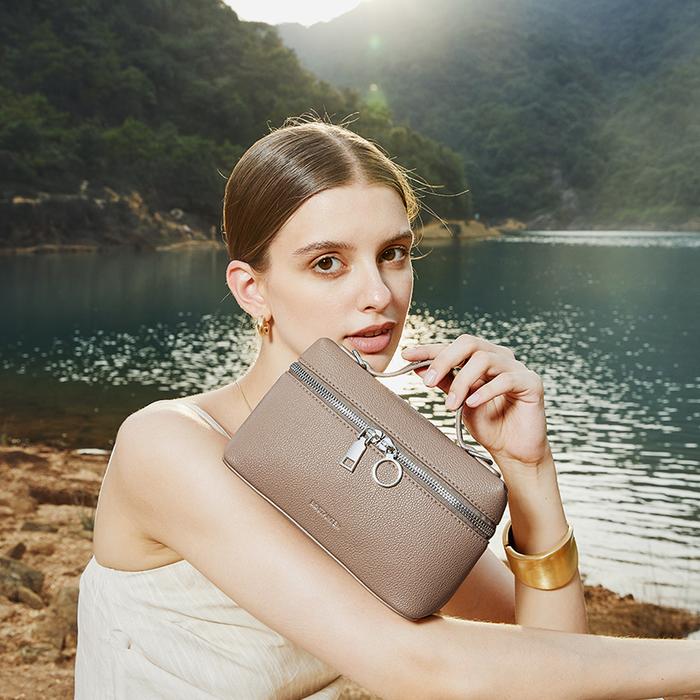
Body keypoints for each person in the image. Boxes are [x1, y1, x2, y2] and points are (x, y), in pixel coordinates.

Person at [74, 115, 700, 699]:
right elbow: (414, 664)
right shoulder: (166, 443)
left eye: (393, 254)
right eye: (328, 263)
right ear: (252, 288)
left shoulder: (378, 460)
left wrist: (528, 472)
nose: (378, 293)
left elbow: (551, 666)